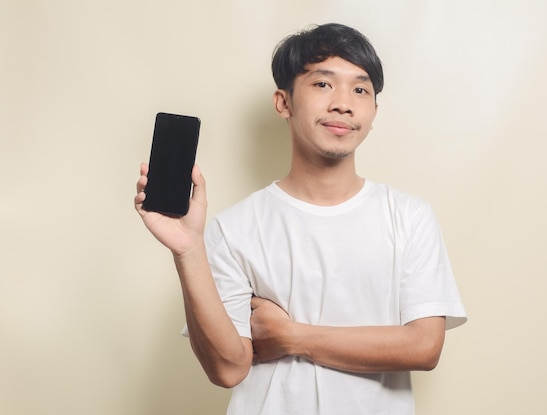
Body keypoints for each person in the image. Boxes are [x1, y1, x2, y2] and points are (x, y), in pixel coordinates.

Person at [135, 23, 467, 415]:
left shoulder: (410, 217)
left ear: (374, 111)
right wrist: (189, 250)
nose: (343, 103)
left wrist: (293, 336)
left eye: (360, 89)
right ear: (283, 102)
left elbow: (424, 347)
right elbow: (227, 368)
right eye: (323, 84)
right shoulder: (235, 228)